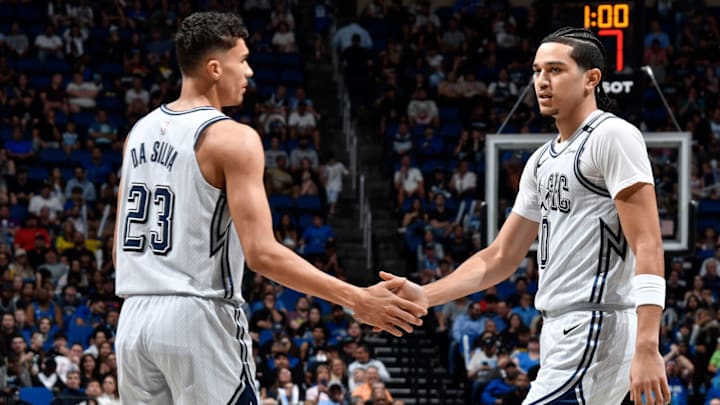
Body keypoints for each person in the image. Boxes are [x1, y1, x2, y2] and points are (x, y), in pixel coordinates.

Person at [113, 12, 425, 405]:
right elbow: (261, 254)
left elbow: (118, 250)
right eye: (241, 60)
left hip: (133, 319)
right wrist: (356, 298)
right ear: (214, 68)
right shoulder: (231, 137)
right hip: (197, 317)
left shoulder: (137, 133)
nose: (249, 71)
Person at [382, 27, 670, 404]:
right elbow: (500, 257)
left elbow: (648, 242)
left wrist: (648, 344)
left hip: (596, 325)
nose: (541, 81)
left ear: (591, 79)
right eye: (536, 71)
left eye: (555, 70)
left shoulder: (612, 136)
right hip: (559, 329)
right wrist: (426, 294)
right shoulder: (540, 161)